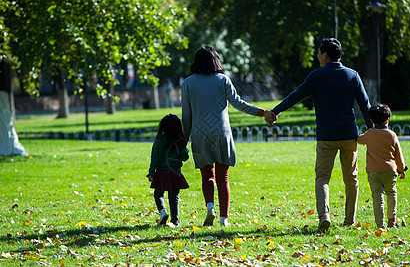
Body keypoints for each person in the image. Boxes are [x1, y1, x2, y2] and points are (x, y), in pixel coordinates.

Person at [266, 38, 373, 230]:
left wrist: (275, 111)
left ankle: (324, 215)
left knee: (322, 177)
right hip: (349, 135)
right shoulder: (352, 75)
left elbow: (295, 96)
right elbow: (365, 106)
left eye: (318, 53)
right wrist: (373, 130)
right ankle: (350, 220)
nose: (317, 56)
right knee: (351, 178)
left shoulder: (317, 76)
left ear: (325, 54)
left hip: (326, 137)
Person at [182, 46, 274, 226]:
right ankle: (224, 218)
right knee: (223, 177)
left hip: (199, 135)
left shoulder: (188, 83)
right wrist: (262, 112)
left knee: (207, 175)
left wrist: (184, 138)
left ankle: (210, 208)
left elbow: (187, 115)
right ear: (216, 60)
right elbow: (238, 104)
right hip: (221, 134)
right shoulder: (223, 80)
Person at [357, 103, 407, 228]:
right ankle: (391, 221)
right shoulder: (392, 135)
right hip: (390, 171)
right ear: (387, 120)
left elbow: (359, 140)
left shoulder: (369, 134)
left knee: (377, 197)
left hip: (373, 172)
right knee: (391, 194)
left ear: (371, 120)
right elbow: (398, 156)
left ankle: (380, 224)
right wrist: (401, 170)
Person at [146, 114, 189, 227]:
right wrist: (185, 147)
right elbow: (185, 158)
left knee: (158, 194)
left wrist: (151, 172)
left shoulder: (159, 142)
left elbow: (154, 159)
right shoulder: (180, 142)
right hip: (175, 173)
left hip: (161, 173)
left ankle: (163, 211)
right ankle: (175, 220)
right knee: (174, 198)